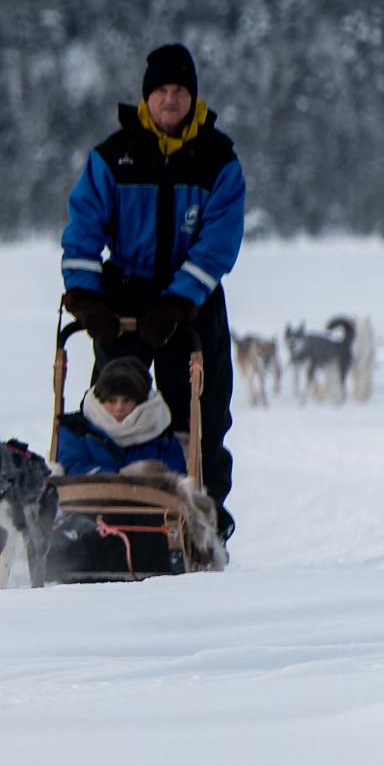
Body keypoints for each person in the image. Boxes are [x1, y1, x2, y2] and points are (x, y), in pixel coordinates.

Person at [59, 43, 244, 532]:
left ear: (192, 98)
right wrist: (83, 294)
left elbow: (219, 242)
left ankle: (203, 519)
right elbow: (82, 229)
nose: (170, 99)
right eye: (161, 90)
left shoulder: (218, 160)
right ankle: (106, 510)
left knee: (201, 417)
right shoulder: (112, 155)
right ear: (147, 98)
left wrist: (181, 299)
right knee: (114, 408)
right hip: (123, 298)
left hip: (192, 304)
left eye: (180, 90)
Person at [55, 357, 192, 476]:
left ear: (140, 403)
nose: (119, 408)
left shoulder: (163, 441)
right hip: (87, 503)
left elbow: (176, 479)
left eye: (127, 400)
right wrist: (122, 477)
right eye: (112, 400)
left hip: (149, 505)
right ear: (100, 400)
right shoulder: (75, 432)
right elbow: (71, 469)